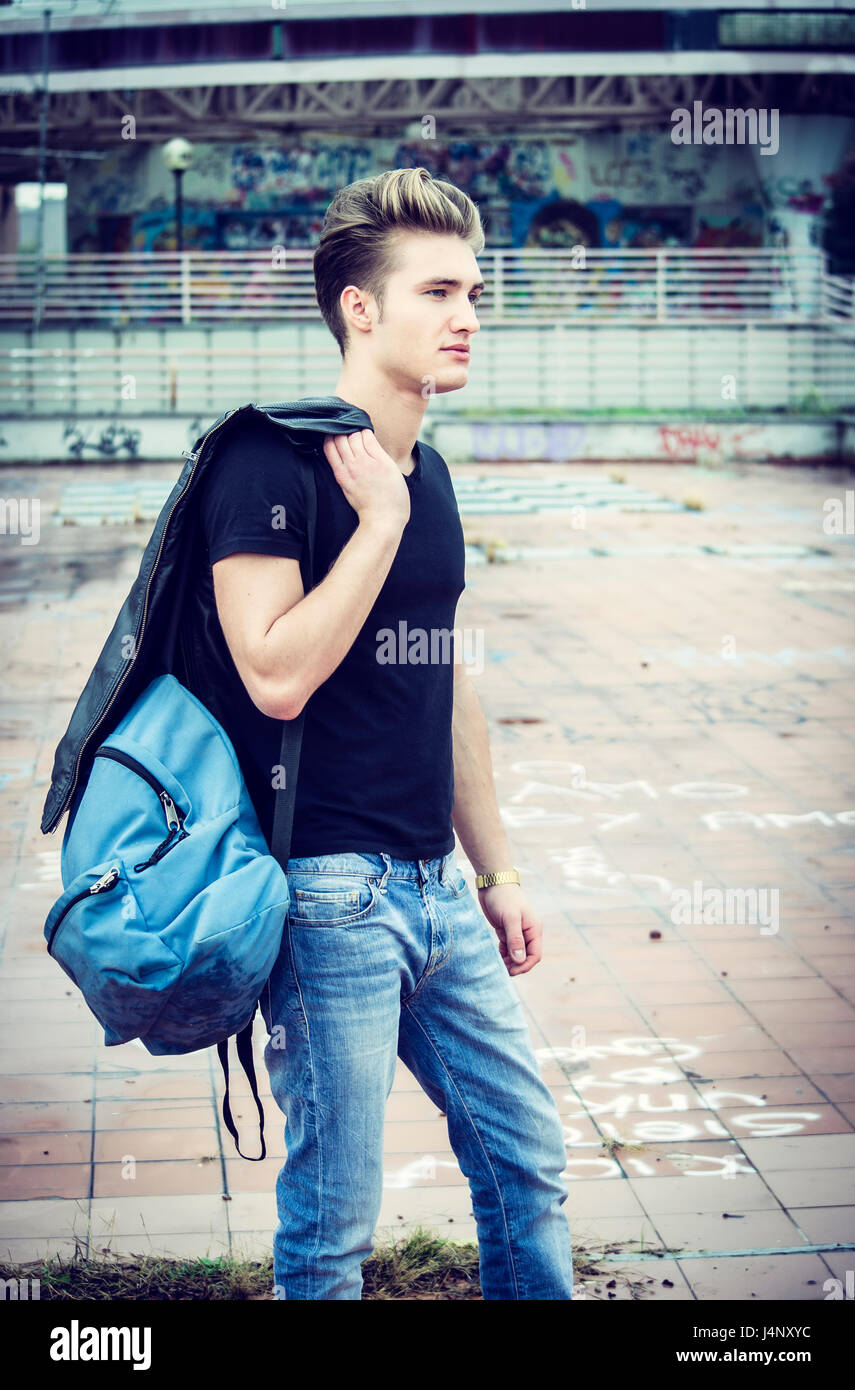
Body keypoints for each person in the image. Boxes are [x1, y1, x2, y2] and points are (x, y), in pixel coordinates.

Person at [194, 166, 574, 1300]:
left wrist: (494, 867)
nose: (468, 316)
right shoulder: (265, 460)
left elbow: (445, 680)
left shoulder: (432, 471)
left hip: (436, 892)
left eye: (477, 292)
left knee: (525, 1157)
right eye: (440, 291)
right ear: (360, 308)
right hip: (328, 893)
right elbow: (272, 674)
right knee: (331, 1226)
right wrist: (380, 524)